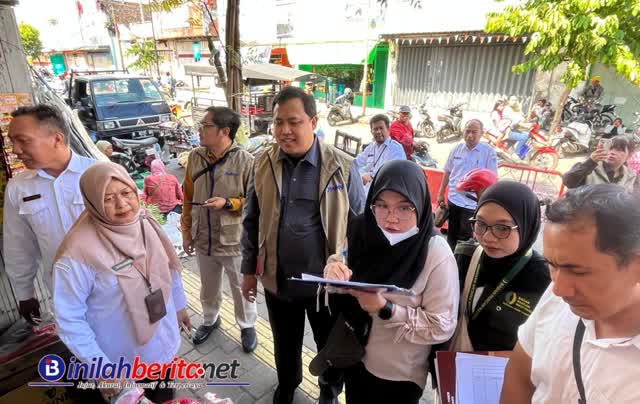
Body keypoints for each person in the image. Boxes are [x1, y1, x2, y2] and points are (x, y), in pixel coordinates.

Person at [241, 86, 365, 404]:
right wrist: (248, 271)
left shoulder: (342, 166)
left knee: (329, 343)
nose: (284, 130)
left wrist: (350, 273)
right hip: (278, 279)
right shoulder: (262, 163)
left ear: (313, 121)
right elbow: (251, 219)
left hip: (326, 287)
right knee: (284, 341)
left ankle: (329, 388)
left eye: (293, 121)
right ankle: (287, 383)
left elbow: (360, 228)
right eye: (278, 122)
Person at [322, 160, 459, 404]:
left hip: (399, 375)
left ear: (421, 205)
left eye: (404, 207)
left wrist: (386, 309)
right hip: (353, 355)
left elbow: (442, 326)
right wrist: (333, 269)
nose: (391, 218)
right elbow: (340, 263)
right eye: (382, 205)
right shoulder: (361, 230)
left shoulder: (435, 253)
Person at [53, 162, 190, 403]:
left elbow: (168, 267)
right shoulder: (77, 253)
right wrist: (100, 368)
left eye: (126, 192)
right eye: (108, 198)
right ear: (93, 202)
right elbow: (69, 318)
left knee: (164, 397)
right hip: (120, 365)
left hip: (163, 347)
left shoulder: (144, 222)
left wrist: (179, 306)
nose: (122, 204)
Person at [500, 184, 640, 404]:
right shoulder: (555, 296)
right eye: (552, 265)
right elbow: (519, 376)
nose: (559, 290)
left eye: (578, 272)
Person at [3, 105, 95, 324]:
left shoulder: (98, 174)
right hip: (64, 296)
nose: (15, 150)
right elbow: (18, 245)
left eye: (23, 140)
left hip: (115, 289)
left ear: (57, 139)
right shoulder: (19, 188)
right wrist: (24, 294)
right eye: (12, 142)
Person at [181, 106, 258, 351]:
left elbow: (255, 202)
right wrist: (186, 232)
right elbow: (187, 196)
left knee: (240, 286)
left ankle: (247, 324)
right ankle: (210, 320)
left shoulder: (245, 161)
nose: (200, 130)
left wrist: (228, 203)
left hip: (233, 239)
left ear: (224, 131)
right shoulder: (195, 157)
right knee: (208, 285)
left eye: (206, 126)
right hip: (203, 236)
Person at [450, 181, 550, 352]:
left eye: (502, 228)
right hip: (450, 361)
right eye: (480, 224)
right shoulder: (465, 256)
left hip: (507, 368)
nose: (487, 237)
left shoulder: (543, 278)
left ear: (526, 225)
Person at [437, 119, 498, 250]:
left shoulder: (488, 152)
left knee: (466, 239)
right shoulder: (456, 149)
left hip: (472, 204)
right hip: (453, 200)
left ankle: (462, 260)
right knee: (451, 235)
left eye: (474, 132)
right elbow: (447, 171)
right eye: (467, 131)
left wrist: (487, 203)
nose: (470, 135)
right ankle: (450, 259)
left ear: (481, 133)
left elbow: (492, 179)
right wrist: (441, 193)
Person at [562, 135, 639, 192]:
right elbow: (568, 182)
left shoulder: (631, 176)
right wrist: (590, 162)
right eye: (610, 148)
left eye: (619, 150)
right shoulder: (589, 167)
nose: (612, 152)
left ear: (629, 155)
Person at [354, 114, 405, 194]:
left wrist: (372, 175)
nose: (378, 132)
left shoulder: (396, 148)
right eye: (375, 129)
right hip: (365, 189)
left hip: (384, 191)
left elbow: (395, 172)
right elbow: (356, 162)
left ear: (388, 129)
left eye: (381, 128)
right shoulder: (371, 147)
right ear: (371, 131)